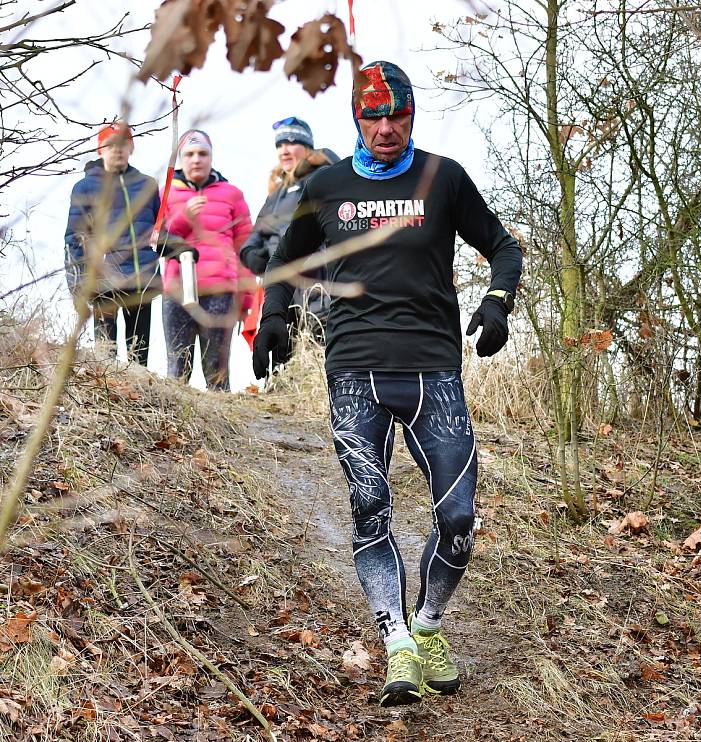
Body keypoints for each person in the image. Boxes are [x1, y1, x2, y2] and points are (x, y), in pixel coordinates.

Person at [252, 61, 522, 706]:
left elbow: (504, 247)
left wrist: (496, 301)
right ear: (356, 118)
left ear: (411, 114)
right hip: (354, 371)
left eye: (396, 112)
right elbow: (284, 260)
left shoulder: (443, 178)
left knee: (458, 516)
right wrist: (274, 317)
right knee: (371, 508)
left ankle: (427, 625)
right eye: (372, 115)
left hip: (434, 370)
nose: (385, 126)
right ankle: (396, 640)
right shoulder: (328, 185)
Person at [239, 117, 338, 367]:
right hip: (282, 300)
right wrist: (253, 256)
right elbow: (251, 240)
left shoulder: (322, 181)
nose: (285, 149)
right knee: (280, 368)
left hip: (319, 294)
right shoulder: (276, 194)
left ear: (307, 148)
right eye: (280, 144)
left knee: (319, 367)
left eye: (292, 142)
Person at [160, 129, 254, 391]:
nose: (196, 159)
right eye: (189, 154)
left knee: (217, 371)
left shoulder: (231, 194)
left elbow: (246, 250)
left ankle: (224, 430)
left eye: (202, 153)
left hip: (221, 292)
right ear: (180, 159)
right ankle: (175, 427)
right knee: (177, 369)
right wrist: (184, 216)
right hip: (177, 291)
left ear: (211, 157)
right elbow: (157, 240)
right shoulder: (167, 193)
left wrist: (246, 299)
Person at [64, 122, 160, 364]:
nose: (117, 149)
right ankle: (108, 397)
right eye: (110, 144)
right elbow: (74, 238)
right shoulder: (85, 187)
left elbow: (161, 228)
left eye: (123, 144)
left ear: (132, 147)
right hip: (103, 278)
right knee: (105, 357)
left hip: (141, 278)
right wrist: (77, 283)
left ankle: (139, 397)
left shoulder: (148, 185)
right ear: (100, 150)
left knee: (139, 357)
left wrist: (172, 242)